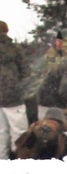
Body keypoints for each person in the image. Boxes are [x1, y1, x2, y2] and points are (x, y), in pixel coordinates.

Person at [0, 21, 29, 161]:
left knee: (1, 132)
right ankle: (20, 159)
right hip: (13, 97)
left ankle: (2, 161)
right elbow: (26, 72)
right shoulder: (14, 48)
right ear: (6, 31)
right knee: (19, 131)